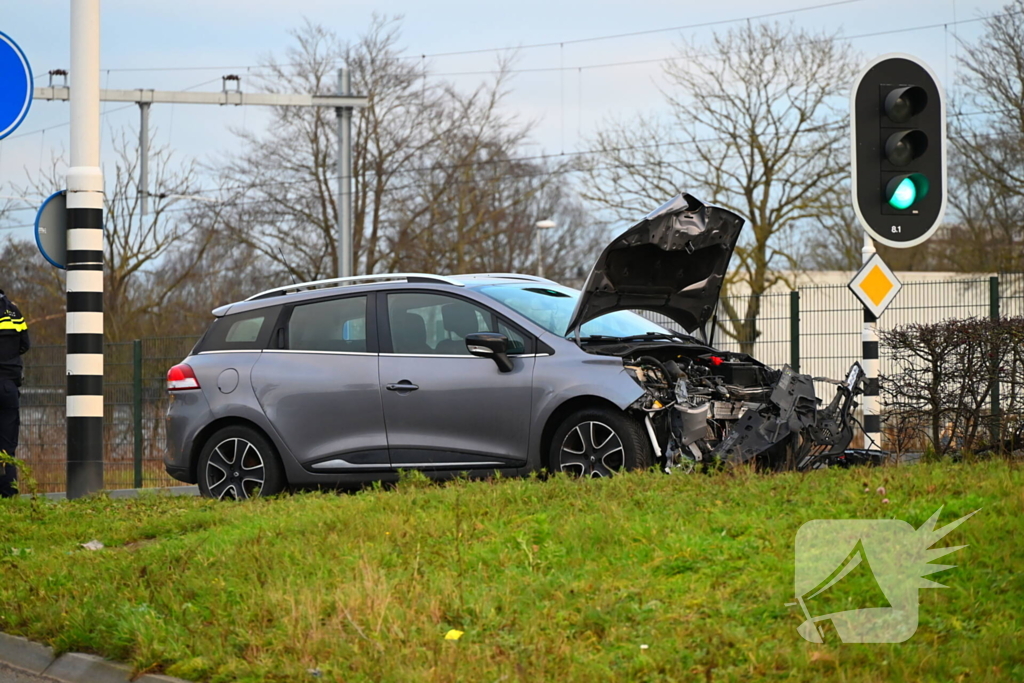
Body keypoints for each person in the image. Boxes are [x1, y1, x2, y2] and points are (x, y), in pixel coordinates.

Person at [0, 289, 29, 498]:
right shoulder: (14, 312)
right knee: (7, 447)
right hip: (8, 387)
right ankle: (9, 495)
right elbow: (25, 345)